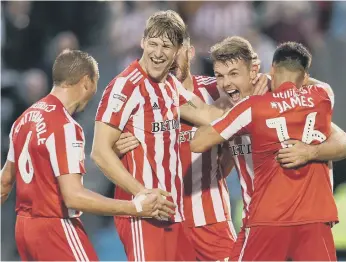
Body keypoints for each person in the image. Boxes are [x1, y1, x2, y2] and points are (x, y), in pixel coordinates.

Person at [0, 49, 174, 261]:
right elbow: (74, 196)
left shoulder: (23, 120)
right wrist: (135, 207)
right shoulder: (65, 126)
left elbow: (5, 183)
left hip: (24, 228)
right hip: (55, 228)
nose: (94, 92)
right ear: (86, 82)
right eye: (95, 83)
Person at [91, 10, 225, 261]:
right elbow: (99, 151)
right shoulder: (125, 86)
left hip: (173, 211)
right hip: (144, 213)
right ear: (142, 42)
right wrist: (141, 193)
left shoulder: (170, 85)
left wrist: (258, 98)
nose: (158, 52)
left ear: (177, 51)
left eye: (166, 46)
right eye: (152, 43)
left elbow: (210, 116)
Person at [190, 42, 339, 261]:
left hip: (270, 220)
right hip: (263, 218)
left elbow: (342, 141)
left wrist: (309, 152)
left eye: (233, 74)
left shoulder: (256, 106)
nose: (225, 83)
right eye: (219, 76)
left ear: (255, 70)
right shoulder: (228, 107)